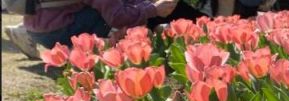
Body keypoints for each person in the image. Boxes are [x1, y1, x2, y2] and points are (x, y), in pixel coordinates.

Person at [22, 0, 180, 48]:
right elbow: (117, 17)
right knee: (103, 17)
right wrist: (153, 10)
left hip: (35, 29)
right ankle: (84, 50)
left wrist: (149, 4)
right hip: (56, 32)